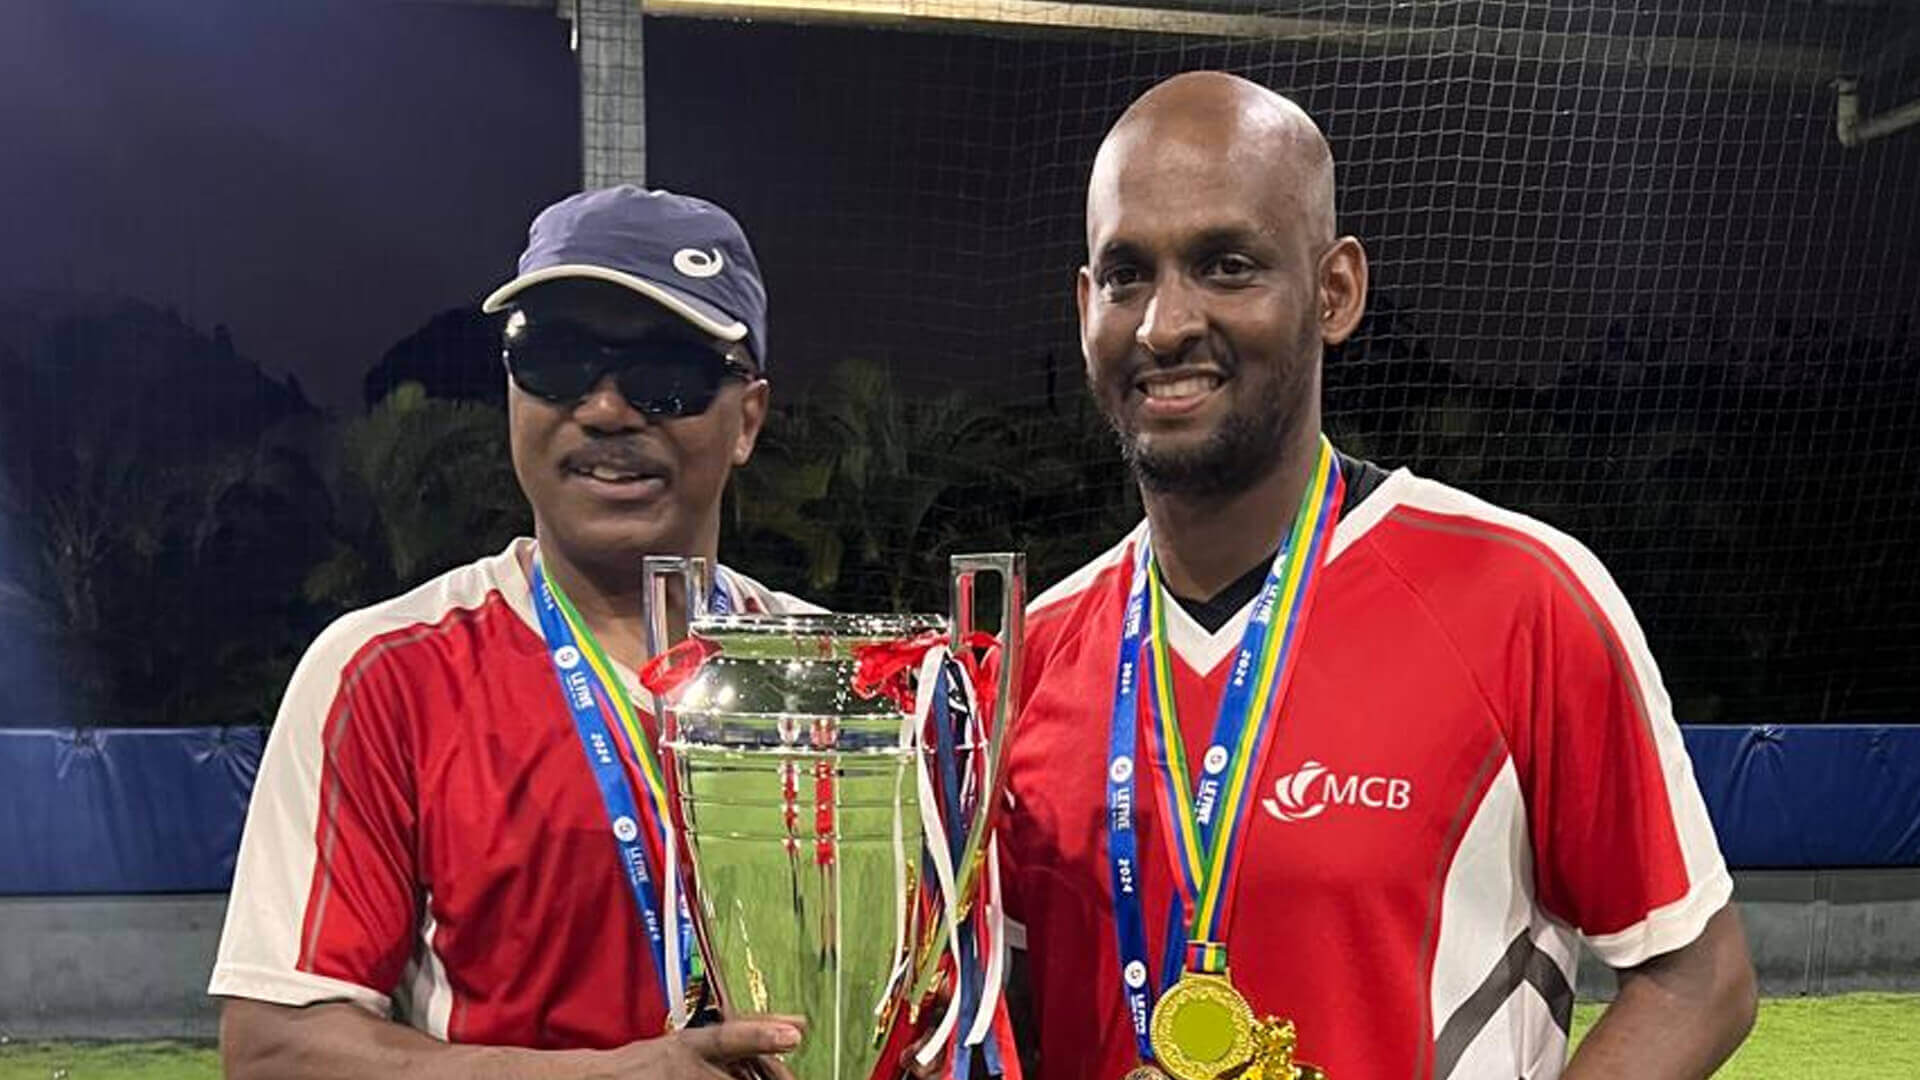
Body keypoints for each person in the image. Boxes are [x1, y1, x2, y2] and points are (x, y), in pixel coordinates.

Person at [999, 72, 1757, 1080]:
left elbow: (1699, 979)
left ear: (1335, 291)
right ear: (1085, 306)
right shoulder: (1026, 658)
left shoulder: (1521, 597)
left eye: (1226, 266)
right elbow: (1000, 1022)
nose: (1165, 323)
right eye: (1127, 275)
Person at [212, 186, 816, 1079]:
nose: (607, 410)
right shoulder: (382, 673)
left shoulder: (845, 680)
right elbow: (275, 1050)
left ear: (747, 420)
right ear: (510, 391)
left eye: (668, 373)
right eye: (557, 359)